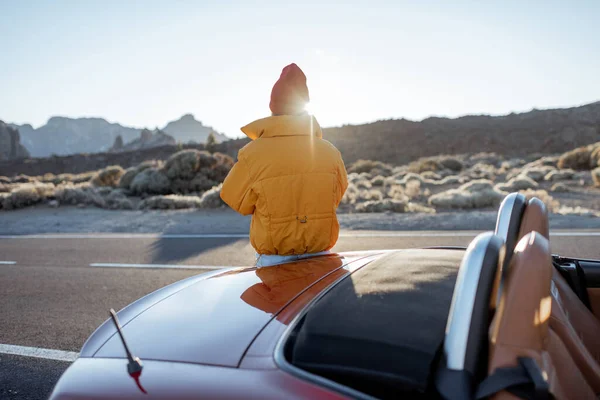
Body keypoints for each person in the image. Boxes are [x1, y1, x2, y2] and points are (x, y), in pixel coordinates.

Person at [220, 63, 348, 267]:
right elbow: (336, 195)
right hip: (323, 256)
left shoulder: (252, 154)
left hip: (275, 261)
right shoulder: (330, 152)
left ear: (273, 107)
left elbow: (234, 199)